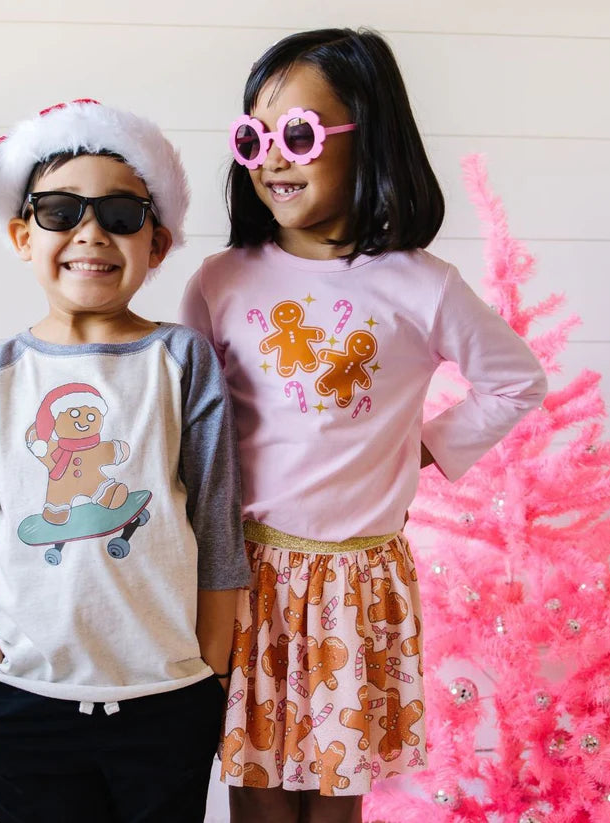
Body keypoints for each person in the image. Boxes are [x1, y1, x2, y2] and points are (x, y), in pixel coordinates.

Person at [180, 28, 548, 823]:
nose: (272, 160)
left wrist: (420, 449)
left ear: (367, 136)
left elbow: (515, 380)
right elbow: (189, 427)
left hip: (356, 582)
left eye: (298, 135)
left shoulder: (420, 285)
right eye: (253, 138)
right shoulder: (220, 281)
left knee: (334, 796)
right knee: (255, 788)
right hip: (247, 575)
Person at [0, 98, 248, 823]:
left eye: (120, 214)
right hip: (25, 703)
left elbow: (217, 525)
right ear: (22, 235)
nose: (91, 232)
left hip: (167, 700)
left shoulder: (182, 360)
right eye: (60, 211)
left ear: (157, 243)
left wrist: (210, 673)